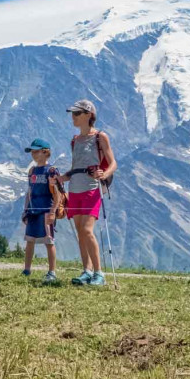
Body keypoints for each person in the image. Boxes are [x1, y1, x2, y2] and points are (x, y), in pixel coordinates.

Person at [59, 100, 117, 286]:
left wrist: (104, 174)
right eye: (73, 113)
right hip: (74, 188)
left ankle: (99, 273)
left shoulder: (100, 137)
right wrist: (61, 178)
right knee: (80, 232)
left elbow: (113, 163)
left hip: (92, 188)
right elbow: (75, 168)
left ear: (89, 115)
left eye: (77, 113)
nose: (73, 117)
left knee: (86, 230)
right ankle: (87, 271)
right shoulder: (74, 141)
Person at [20, 138, 65, 284]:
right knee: (30, 240)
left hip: (46, 209)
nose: (33, 154)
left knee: (49, 241)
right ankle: (26, 269)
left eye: (36, 151)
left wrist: (53, 211)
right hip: (33, 210)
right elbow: (29, 192)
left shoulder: (51, 171)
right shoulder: (32, 171)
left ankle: (52, 272)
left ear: (45, 152)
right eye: (31, 151)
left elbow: (57, 193)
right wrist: (25, 209)